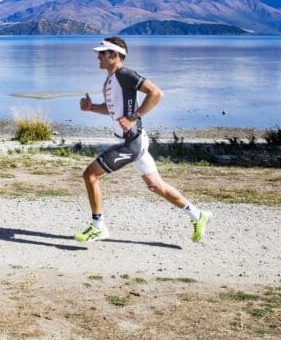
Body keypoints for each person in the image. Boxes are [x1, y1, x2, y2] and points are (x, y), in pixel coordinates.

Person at [75, 36, 212, 243]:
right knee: (155, 185)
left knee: (90, 176)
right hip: (135, 139)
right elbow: (113, 110)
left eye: (101, 53)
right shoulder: (112, 79)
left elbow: (156, 93)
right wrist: (93, 107)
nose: (98, 56)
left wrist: (133, 117)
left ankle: (98, 227)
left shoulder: (124, 74)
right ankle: (197, 215)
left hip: (131, 142)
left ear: (113, 55)